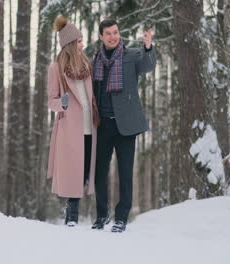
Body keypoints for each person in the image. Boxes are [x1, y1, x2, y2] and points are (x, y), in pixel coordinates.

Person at [91, 19, 156, 232]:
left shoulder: (132, 55)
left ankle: (121, 218)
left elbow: (148, 65)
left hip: (125, 124)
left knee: (125, 172)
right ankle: (102, 215)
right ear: (101, 36)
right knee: (100, 172)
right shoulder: (96, 60)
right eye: (108, 33)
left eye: (116, 32)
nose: (113, 36)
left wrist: (148, 46)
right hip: (102, 125)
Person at [47, 16, 98, 227]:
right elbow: (51, 100)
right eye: (79, 41)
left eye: (82, 40)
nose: (82, 44)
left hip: (90, 127)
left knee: (86, 172)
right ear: (69, 44)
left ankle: (76, 212)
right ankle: (72, 216)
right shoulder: (56, 68)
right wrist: (63, 103)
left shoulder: (87, 65)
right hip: (69, 129)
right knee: (74, 174)